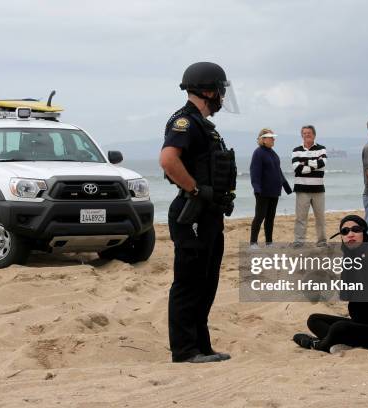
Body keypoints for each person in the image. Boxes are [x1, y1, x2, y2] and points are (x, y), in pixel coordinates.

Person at [159, 62, 238, 363]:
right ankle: (184, 350)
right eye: (219, 90)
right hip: (192, 214)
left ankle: (201, 346)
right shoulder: (185, 122)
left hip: (208, 215)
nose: (221, 96)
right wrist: (195, 190)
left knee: (206, 284)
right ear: (207, 90)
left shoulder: (203, 125)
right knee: (189, 284)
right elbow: (168, 160)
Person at [292, 215, 368, 353]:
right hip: (361, 324)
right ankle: (340, 342)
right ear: (342, 237)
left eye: (355, 229)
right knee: (314, 320)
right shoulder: (349, 261)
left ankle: (317, 344)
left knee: (339, 328)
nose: (350, 234)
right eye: (345, 231)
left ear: (364, 233)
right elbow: (347, 295)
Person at [249, 128, 292, 248]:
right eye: (271, 137)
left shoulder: (273, 153)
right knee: (259, 217)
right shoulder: (258, 153)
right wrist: (257, 188)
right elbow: (254, 172)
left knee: (270, 218)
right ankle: (253, 243)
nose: (273, 139)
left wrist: (286, 187)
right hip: (263, 192)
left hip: (274, 191)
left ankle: (269, 242)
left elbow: (278, 171)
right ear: (263, 139)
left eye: (273, 137)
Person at [292, 125, 327, 247]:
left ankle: (322, 241)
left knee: (320, 218)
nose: (307, 135)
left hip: (318, 189)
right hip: (302, 190)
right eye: (304, 133)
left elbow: (322, 163)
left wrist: (304, 163)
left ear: (314, 134)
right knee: (300, 218)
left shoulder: (321, 149)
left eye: (309, 133)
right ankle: (299, 242)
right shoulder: (296, 150)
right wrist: (313, 164)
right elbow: (296, 167)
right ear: (302, 135)